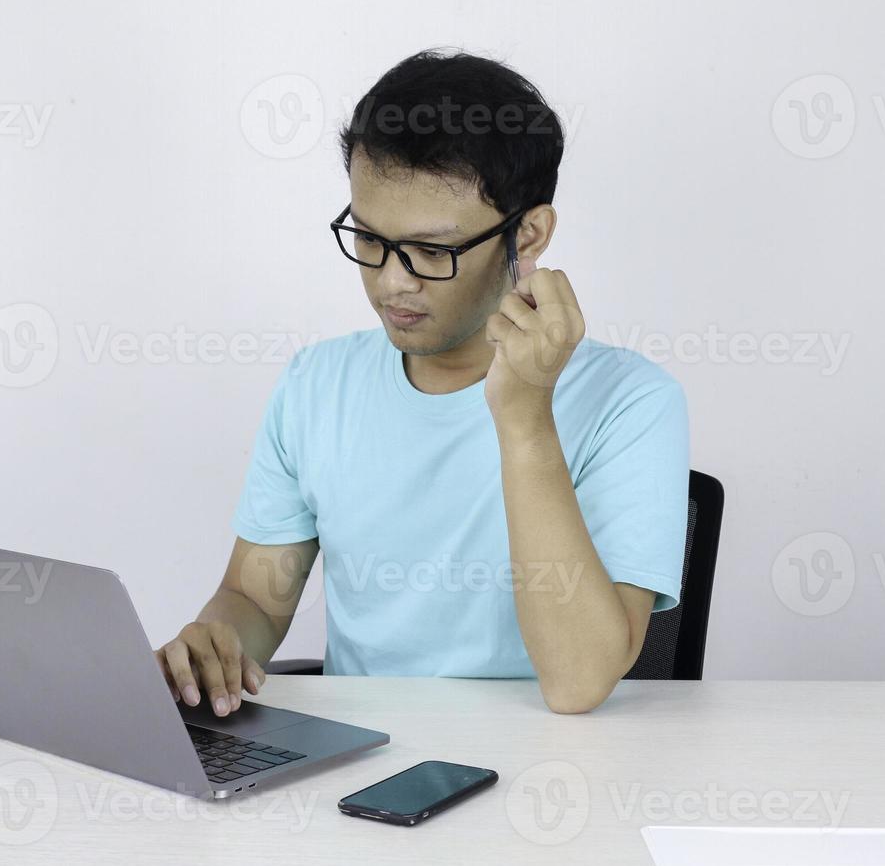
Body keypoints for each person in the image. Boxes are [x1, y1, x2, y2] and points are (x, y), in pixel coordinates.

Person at [156, 48, 689, 715]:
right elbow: (256, 597)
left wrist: (525, 419)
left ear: (528, 234)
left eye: (433, 252)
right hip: (358, 772)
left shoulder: (632, 403)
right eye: (370, 239)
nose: (391, 281)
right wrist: (217, 645)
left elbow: (579, 681)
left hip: (554, 778)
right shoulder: (316, 384)